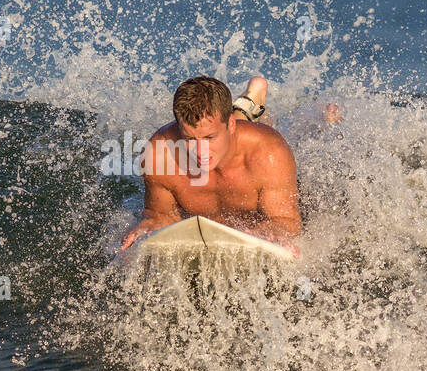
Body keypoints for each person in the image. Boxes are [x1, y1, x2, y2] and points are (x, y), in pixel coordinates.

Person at [119, 76, 302, 253]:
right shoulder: (159, 154)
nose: (200, 152)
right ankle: (242, 108)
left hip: (245, 141)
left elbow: (287, 220)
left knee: (258, 127)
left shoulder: (268, 152)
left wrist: (273, 229)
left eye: (209, 138)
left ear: (231, 125)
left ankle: (252, 103)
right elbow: (161, 215)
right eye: (189, 139)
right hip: (227, 133)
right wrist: (150, 225)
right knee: (219, 131)